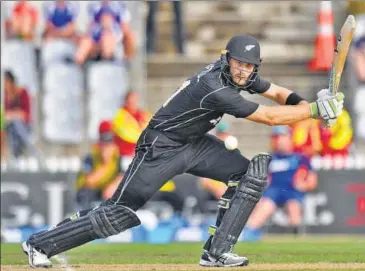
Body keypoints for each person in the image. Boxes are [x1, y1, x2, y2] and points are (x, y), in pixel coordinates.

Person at [23, 34, 344, 268]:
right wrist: (315, 111)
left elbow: (276, 94)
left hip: (193, 143)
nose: (243, 71)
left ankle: (216, 252)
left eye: (249, 66)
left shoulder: (242, 76)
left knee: (249, 174)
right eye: (238, 63)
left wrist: (306, 104)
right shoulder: (215, 86)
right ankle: (39, 244)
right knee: (118, 214)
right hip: (160, 146)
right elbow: (270, 117)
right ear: (226, 59)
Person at [244, 126, 318, 241]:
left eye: (282, 137)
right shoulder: (269, 158)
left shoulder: (301, 157)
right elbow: (263, 179)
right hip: (274, 190)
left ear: (290, 138)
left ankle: (297, 239)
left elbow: (312, 181)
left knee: (294, 211)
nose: (279, 140)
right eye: (276, 138)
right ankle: (248, 235)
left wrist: (303, 185)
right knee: (262, 210)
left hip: (292, 190)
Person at [74, 120, 122, 209]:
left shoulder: (117, 156)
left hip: (108, 196)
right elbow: (88, 181)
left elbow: (123, 175)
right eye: (105, 139)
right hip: (90, 197)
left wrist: (114, 186)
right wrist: (105, 164)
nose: (107, 145)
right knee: (86, 193)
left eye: (110, 139)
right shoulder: (92, 155)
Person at [112, 91, 151, 159]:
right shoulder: (120, 115)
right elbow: (126, 133)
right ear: (126, 100)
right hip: (125, 154)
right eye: (131, 99)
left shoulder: (143, 114)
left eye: (135, 99)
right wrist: (143, 133)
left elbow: (152, 127)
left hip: (142, 153)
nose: (133, 102)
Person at [4, 70, 33, 158]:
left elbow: (26, 114)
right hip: (8, 127)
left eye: (6, 82)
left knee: (16, 124)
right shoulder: (4, 96)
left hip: (24, 126)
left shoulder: (22, 92)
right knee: (11, 126)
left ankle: (27, 149)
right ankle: (16, 156)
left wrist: (12, 115)